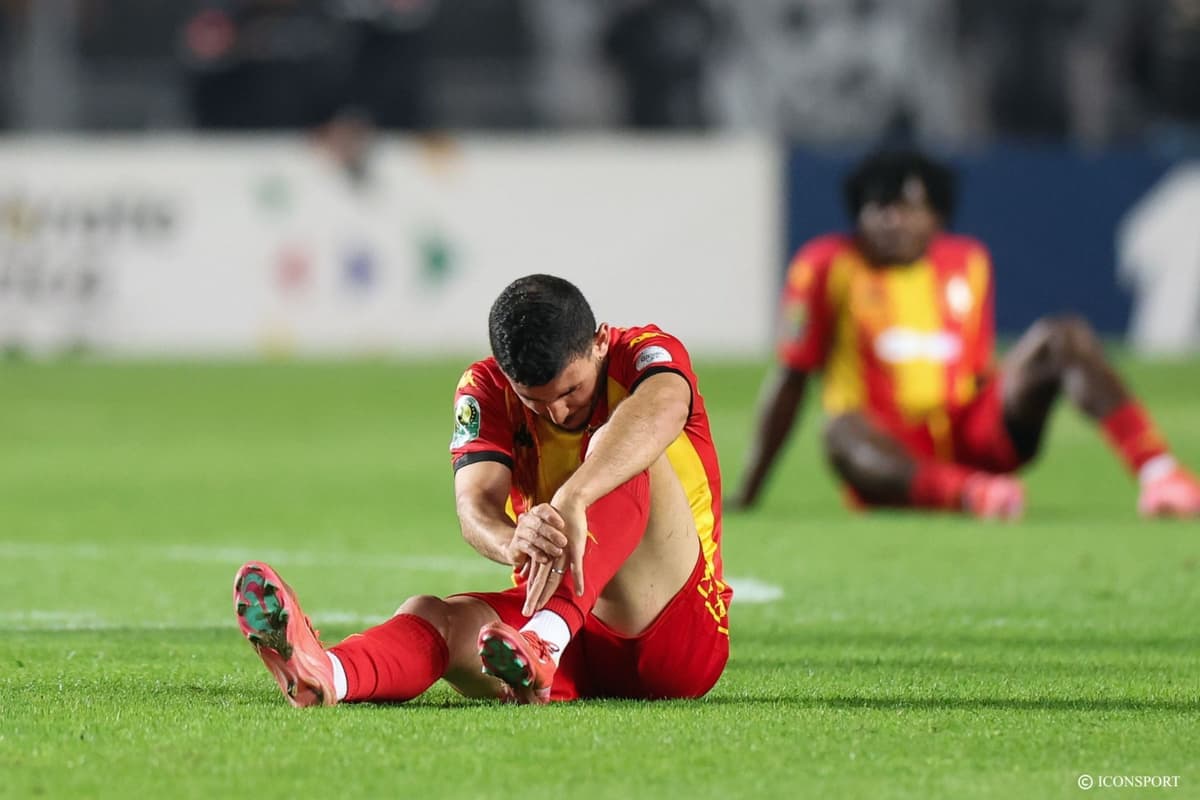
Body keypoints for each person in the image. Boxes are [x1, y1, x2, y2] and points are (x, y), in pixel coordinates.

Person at [233, 274, 732, 705]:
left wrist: (573, 496)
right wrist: (513, 541)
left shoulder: (643, 352)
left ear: (599, 343)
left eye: (570, 392)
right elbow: (475, 507)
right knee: (435, 616)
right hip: (563, 637)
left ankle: (545, 638)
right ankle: (331, 675)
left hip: (675, 635)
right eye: (535, 401)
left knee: (617, 444)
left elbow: (664, 406)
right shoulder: (486, 388)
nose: (556, 413)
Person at [731, 149, 1200, 520]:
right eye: (882, 208)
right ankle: (969, 494)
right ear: (860, 214)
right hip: (886, 458)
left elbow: (976, 369)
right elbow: (792, 378)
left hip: (970, 438)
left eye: (910, 208)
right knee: (837, 427)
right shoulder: (824, 265)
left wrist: (1017, 394)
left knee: (1063, 336)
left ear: (938, 215)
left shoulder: (969, 262)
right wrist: (749, 490)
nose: (895, 221)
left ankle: (1160, 476)